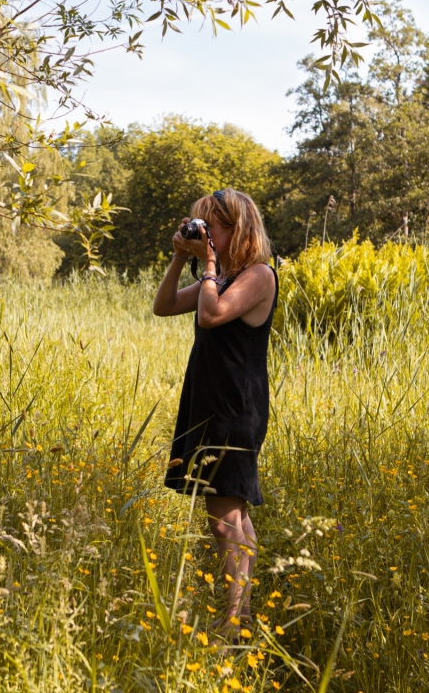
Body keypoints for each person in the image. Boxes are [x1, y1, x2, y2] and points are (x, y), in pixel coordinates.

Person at [152, 187, 277, 634]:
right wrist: (180, 258)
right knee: (235, 516)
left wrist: (206, 264)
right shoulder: (218, 276)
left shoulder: (258, 275)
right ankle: (241, 618)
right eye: (199, 225)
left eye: (211, 226)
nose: (205, 233)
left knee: (223, 517)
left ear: (236, 227)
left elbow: (211, 314)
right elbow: (163, 306)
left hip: (233, 406)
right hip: (211, 401)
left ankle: (231, 625)